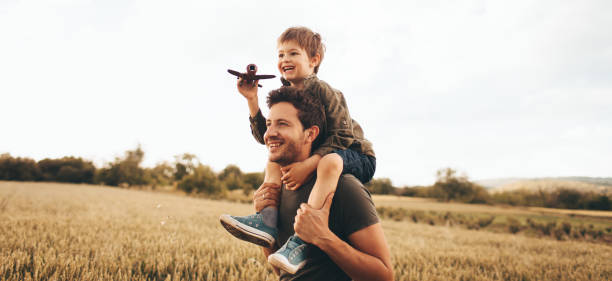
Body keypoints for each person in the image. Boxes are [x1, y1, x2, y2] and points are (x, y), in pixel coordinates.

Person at [220, 26, 376, 274]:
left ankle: (303, 239)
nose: (284, 60)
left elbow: (342, 136)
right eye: (281, 55)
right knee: (274, 156)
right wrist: (252, 100)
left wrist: (309, 164)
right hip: (324, 155)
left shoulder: (325, 91)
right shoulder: (288, 95)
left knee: (329, 163)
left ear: (314, 61)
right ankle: (268, 220)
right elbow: (268, 138)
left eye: (293, 54)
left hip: (354, 154)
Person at [247, 87, 393, 280]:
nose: (270, 133)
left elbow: (384, 276)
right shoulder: (279, 188)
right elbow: (282, 270)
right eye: (268, 124)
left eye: (282, 124)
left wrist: (323, 237)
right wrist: (267, 228)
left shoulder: (344, 187)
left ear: (310, 134)